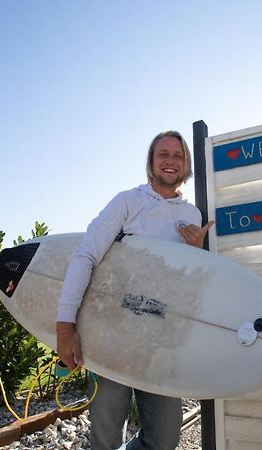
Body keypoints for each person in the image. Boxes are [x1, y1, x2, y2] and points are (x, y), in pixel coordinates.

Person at [56, 130, 214, 450]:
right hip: (110, 338)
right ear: (151, 162)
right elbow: (85, 256)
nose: (171, 161)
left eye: (178, 155)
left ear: (186, 165)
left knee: (165, 438)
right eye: (163, 154)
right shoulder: (128, 202)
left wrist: (196, 253)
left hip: (158, 344)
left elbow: (185, 288)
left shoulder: (191, 215)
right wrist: (65, 327)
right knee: (105, 438)